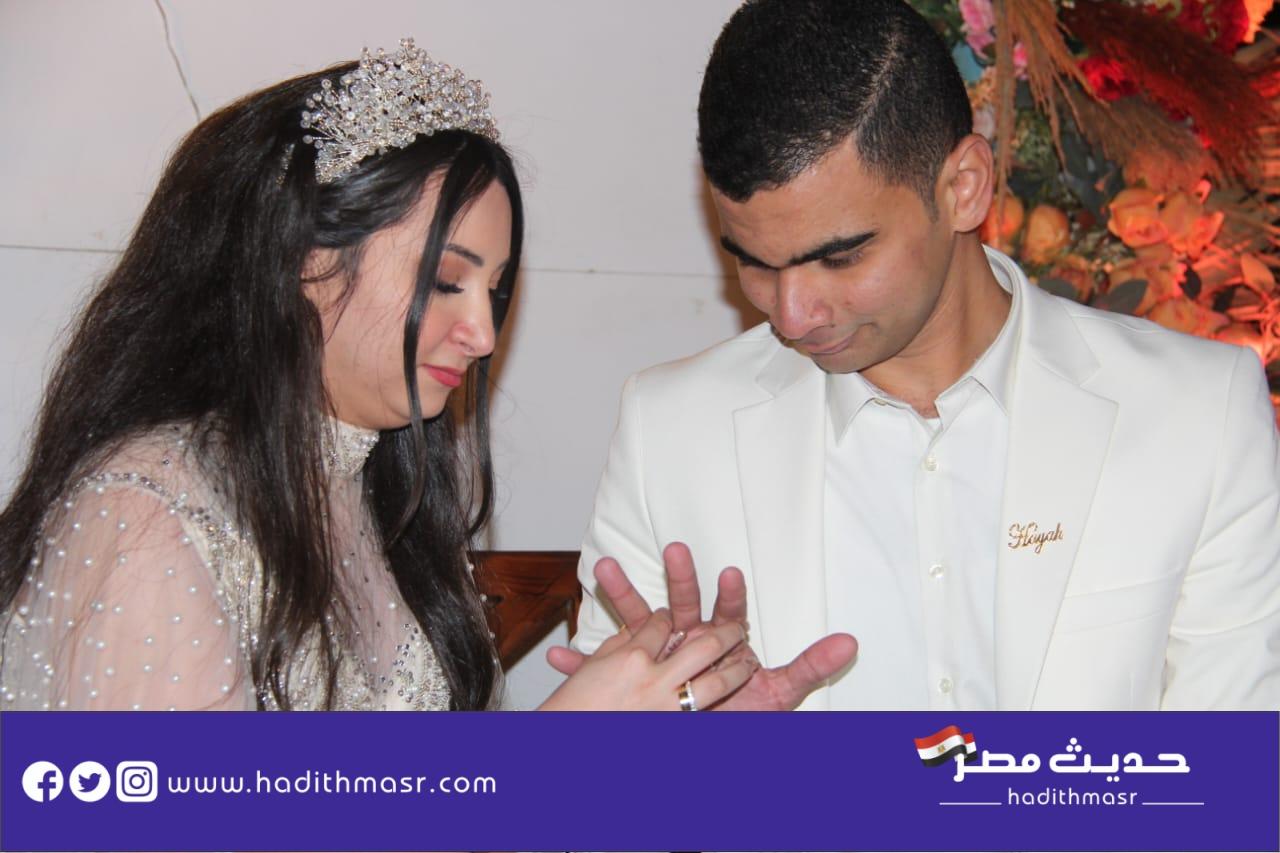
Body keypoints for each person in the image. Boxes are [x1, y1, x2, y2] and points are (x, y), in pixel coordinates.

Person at [0, 39, 757, 712]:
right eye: (446, 281)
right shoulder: (148, 515)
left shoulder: (381, 496)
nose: (483, 333)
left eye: (494, 291)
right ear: (306, 262)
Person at [571, 0, 1280, 710]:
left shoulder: (1199, 415)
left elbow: (1233, 763)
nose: (791, 313)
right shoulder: (669, 432)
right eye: (754, 262)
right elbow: (594, 765)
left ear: (964, 187)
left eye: (840, 257)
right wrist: (696, 761)